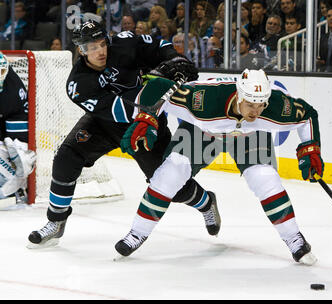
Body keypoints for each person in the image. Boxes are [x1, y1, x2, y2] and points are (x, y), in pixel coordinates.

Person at [27, 20, 221, 246]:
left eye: (101, 44)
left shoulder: (125, 43)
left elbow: (159, 46)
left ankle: (206, 202)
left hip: (147, 124)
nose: (99, 51)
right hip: (105, 123)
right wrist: (153, 97)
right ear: (81, 50)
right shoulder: (78, 84)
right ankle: (56, 221)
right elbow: (119, 110)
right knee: (66, 157)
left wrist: (175, 60)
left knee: (169, 184)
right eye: (91, 47)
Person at [116, 68, 323, 266]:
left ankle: (294, 238)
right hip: (202, 129)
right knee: (171, 173)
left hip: (250, 135)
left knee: (265, 178)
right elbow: (157, 87)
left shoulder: (276, 106)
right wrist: (145, 118)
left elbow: (308, 115)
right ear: (240, 96)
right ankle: (138, 232)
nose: (256, 110)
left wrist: (311, 149)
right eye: (251, 104)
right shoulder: (203, 100)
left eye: (261, 105)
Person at [0, 51, 36, 203]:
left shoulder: (11, 92)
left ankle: (15, 188)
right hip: (6, 125)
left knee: (18, 155)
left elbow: (17, 136)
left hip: (11, 131)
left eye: (1, 71)